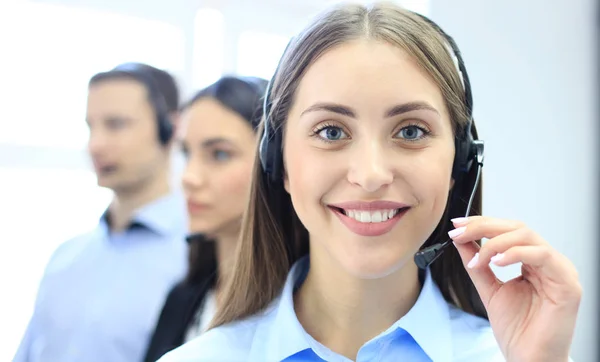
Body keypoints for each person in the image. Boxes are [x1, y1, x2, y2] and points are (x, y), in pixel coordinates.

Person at [158, 3, 582, 362]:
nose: (371, 174)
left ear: (461, 162)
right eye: (331, 131)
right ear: (278, 162)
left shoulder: (513, 355)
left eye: (411, 131)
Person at [13, 63, 189, 362]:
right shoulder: (65, 258)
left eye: (116, 124)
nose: (95, 145)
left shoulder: (197, 259)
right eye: (90, 127)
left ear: (170, 129)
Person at [143, 75, 268, 362]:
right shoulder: (183, 299)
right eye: (186, 153)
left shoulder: (304, 311)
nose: (189, 177)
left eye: (219, 154)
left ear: (273, 164)